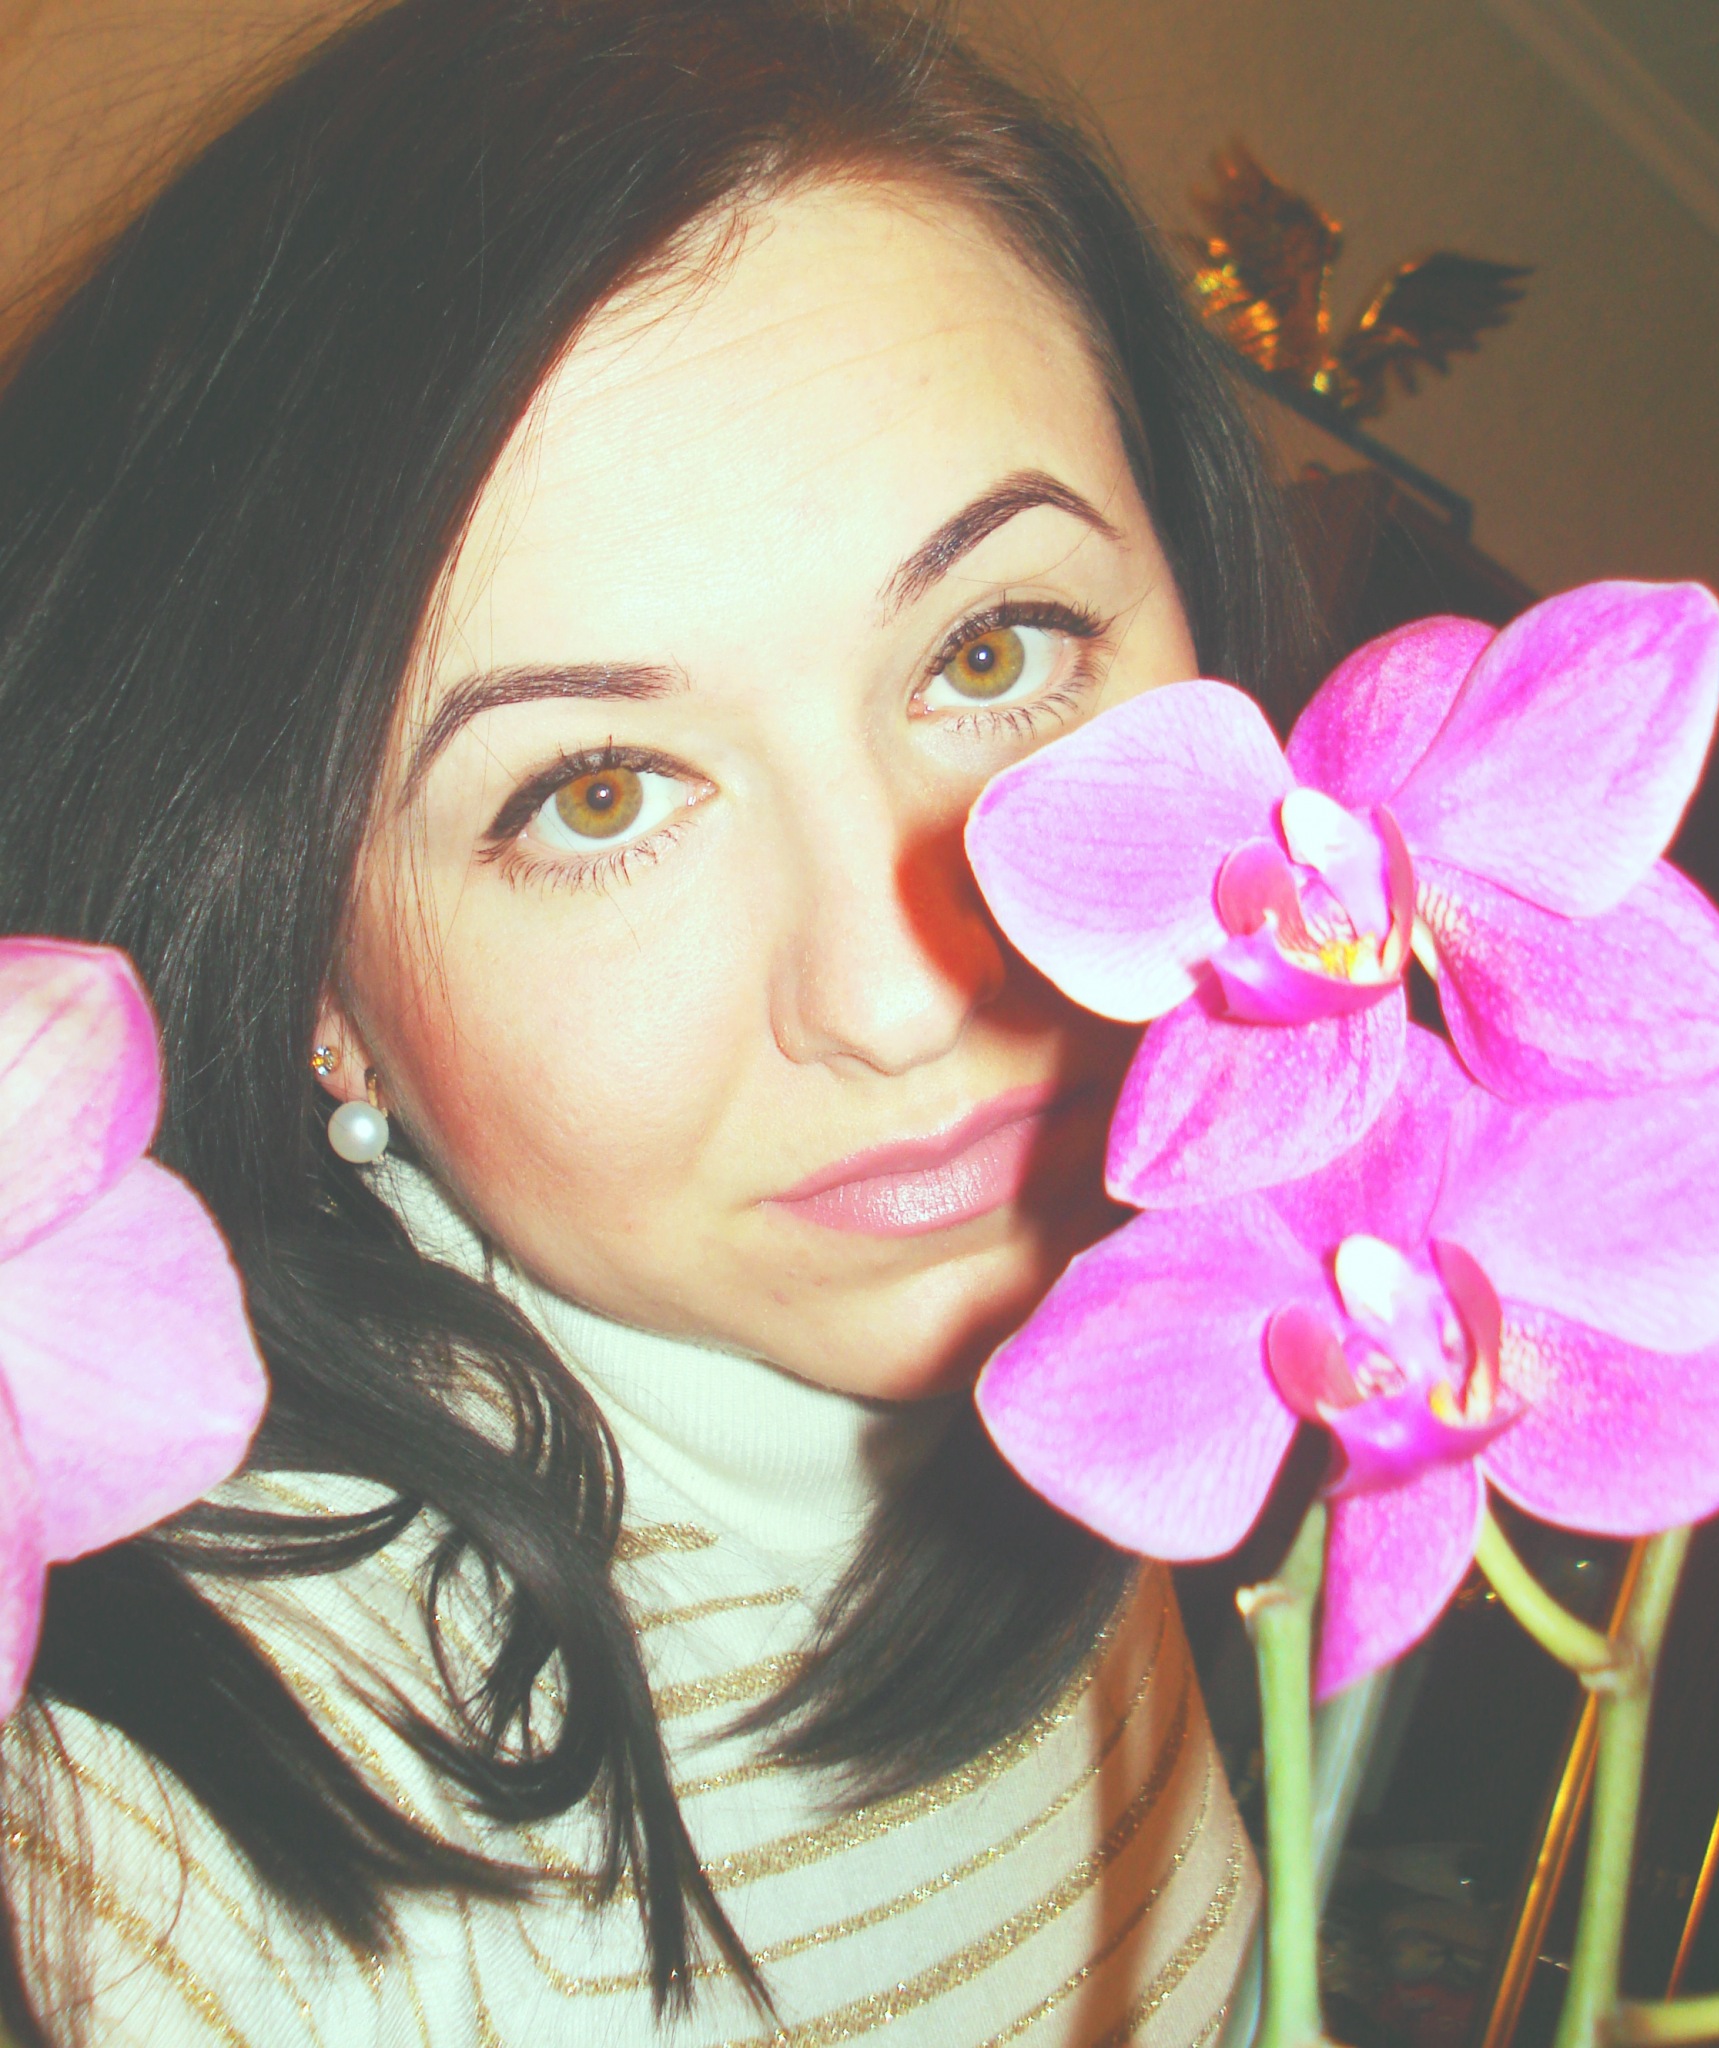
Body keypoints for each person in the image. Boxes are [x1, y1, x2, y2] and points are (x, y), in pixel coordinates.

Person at [0, 0, 1311, 2038]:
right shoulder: (163, 1867)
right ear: (317, 988)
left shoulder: (1084, 1354)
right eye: (596, 794)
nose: (903, 997)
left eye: (991, 650)